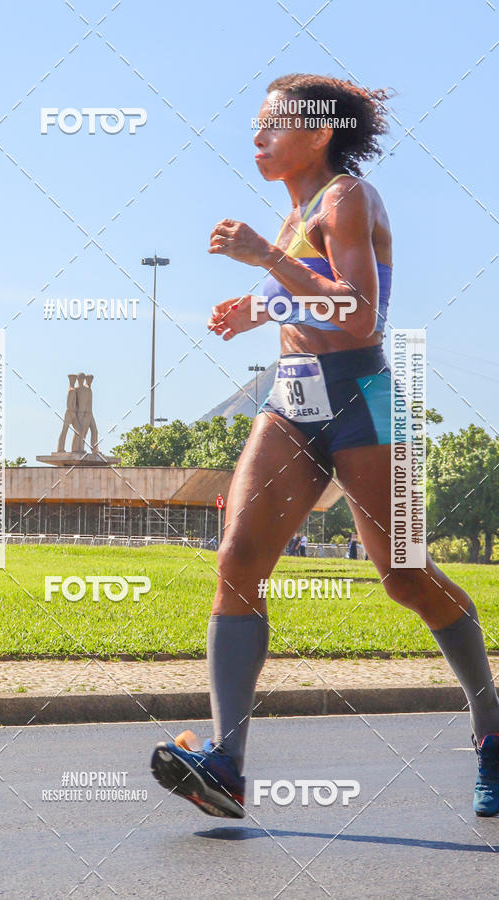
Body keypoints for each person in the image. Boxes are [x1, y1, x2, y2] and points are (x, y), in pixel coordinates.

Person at [150, 74, 499, 819]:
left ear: (318, 132)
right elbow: (309, 295)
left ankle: (492, 727)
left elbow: (363, 315)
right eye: (255, 125)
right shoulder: (291, 219)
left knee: (405, 577)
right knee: (238, 563)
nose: (257, 138)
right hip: (293, 399)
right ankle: (227, 765)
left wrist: (266, 266)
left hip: (364, 403)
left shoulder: (347, 198)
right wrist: (257, 308)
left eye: (272, 125)